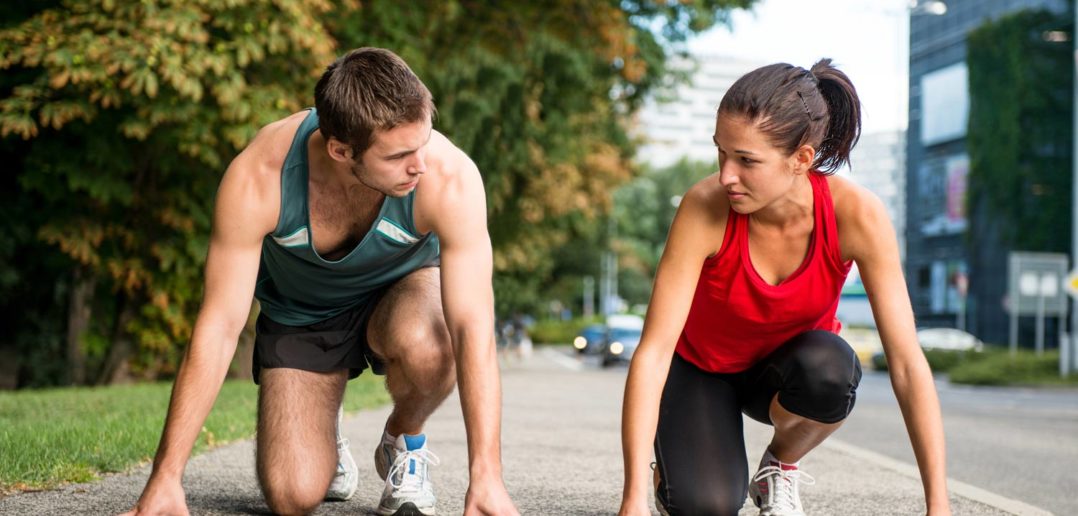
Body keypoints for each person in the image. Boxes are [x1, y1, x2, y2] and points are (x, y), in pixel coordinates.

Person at [122, 47, 519, 516]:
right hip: (304, 314)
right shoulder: (261, 177)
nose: (420, 165)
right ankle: (323, 429)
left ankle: (402, 442)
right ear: (340, 150)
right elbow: (219, 326)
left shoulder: (449, 178)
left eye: (423, 143)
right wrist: (166, 479)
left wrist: (487, 478)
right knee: (292, 496)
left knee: (431, 342)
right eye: (398, 156)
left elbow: (472, 327)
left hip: (404, 293)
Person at [618, 59, 950, 516]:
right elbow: (653, 352)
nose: (726, 175)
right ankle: (670, 475)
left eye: (747, 161)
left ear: (802, 159)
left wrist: (939, 506)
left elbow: (908, 364)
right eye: (722, 153)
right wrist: (632, 497)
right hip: (700, 371)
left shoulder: (857, 215)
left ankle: (780, 466)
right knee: (706, 506)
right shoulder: (704, 207)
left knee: (831, 369)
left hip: (782, 376)